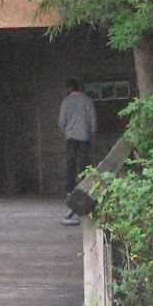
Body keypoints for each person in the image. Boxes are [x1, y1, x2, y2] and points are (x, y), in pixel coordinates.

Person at [58, 77, 96, 226]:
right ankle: (85, 187)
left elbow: (61, 121)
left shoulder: (66, 102)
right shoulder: (87, 100)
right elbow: (93, 118)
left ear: (68, 88)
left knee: (71, 163)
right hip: (84, 135)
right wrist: (92, 131)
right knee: (84, 163)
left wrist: (65, 130)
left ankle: (70, 189)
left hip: (71, 135)